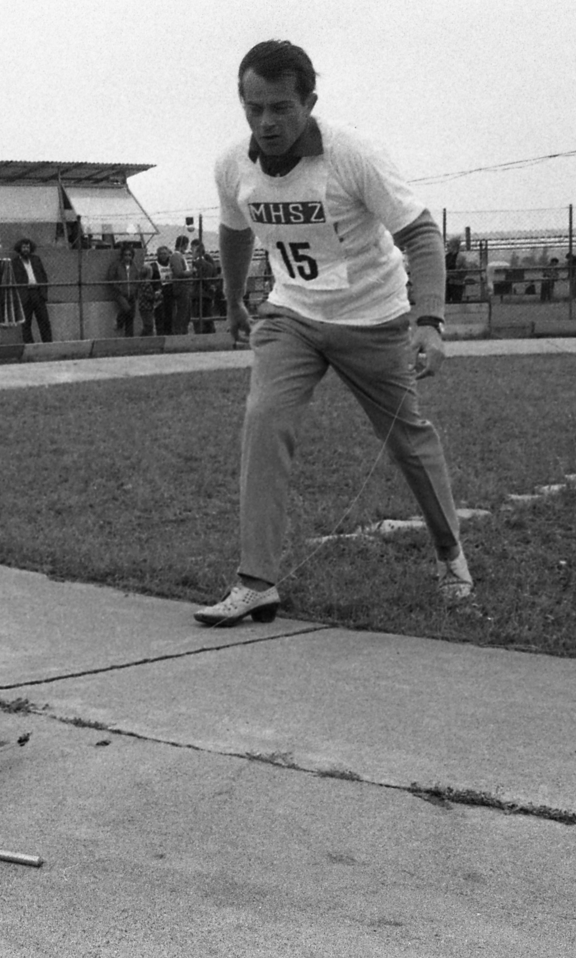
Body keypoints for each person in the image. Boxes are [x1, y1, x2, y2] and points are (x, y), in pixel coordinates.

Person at [194, 39, 472, 628]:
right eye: (253, 109)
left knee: (408, 441)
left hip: (372, 318)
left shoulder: (352, 154)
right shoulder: (231, 165)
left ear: (309, 102)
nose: (266, 123)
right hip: (290, 316)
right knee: (264, 421)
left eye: (280, 109)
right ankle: (256, 581)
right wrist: (234, 300)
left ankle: (451, 558)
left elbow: (421, 235)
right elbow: (236, 230)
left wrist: (429, 321)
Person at [10, 237, 53, 343]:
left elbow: (43, 276)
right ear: (19, 248)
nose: (26, 249)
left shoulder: (36, 259)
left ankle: (48, 344)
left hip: (38, 294)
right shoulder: (14, 262)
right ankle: (30, 347)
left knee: (44, 321)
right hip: (25, 295)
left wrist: (43, 292)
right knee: (26, 323)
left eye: (28, 247)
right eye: (24, 247)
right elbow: (13, 279)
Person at [104, 244, 149, 336]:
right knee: (126, 309)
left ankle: (129, 336)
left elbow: (137, 278)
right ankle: (119, 322)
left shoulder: (134, 266)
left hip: (131, 293)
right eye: (125, 255)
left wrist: (135, 288)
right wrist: (118, 287)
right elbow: (110, 277)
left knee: (131, 316)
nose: (127, 257)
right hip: (120, 293)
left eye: (129, 255)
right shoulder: (116, 265)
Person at [149, 245, 188, 336]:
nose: (163, 256)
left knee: (170, 314)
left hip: (171, 291)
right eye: (161, 254)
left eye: (165, 254)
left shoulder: (172, 263)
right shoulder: (154, 265)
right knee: (160, 315)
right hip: (160, 292)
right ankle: (160, 334)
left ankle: (170, 333)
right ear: (158, 255)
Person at [189, 238, 222, 333]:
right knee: (206, 314)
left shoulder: (200, 261)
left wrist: (210, 285)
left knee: (200, 315)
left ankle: (202, 333)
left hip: (200, 291)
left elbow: (203, 276)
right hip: (206, 292)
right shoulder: (206, 263)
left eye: (192, 249)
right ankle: (210, 332)